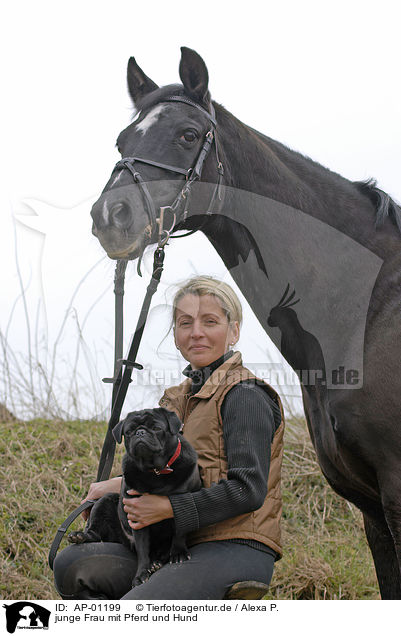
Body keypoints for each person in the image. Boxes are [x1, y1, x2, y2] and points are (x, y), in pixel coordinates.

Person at [53, 276, 284, 600]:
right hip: (178, 545)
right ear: (175, 335)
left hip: (234, 546)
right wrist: (115, 486)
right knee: (74, 565)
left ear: (233, 331)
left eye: (210, 321)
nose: (196, 332)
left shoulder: (245, 394)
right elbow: (173, 472)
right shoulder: (174, 401)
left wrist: (168, 508)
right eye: (185, 323)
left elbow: (248, 490)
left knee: (137, 611)